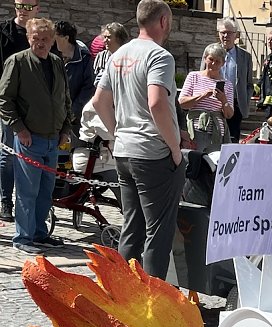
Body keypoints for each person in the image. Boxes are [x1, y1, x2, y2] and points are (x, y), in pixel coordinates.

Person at [93, 0, 185, 280]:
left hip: (124, 150)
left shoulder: (118, 55)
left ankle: (123, 293)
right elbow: (157, 103)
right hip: (153, 152)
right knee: (158, 230)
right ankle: (152, 301)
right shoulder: (160, 56)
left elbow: (99, 102)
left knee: (132, 225)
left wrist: (116, 133)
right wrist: (175, 148)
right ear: (164, 21)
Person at [0, 17, 71, 253]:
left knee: (45, 190)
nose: (40, 43)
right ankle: (23, 238)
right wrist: (19, 129)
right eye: (35, 39)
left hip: (53, 138)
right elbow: (4, 99)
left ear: (52, 40)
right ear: (28, 38)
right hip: (29, 137)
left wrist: (65, 129)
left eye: (45, 39)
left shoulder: (56, 62)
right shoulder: (17, 62)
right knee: (27, 191)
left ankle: (40, 233)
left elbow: (65, 98)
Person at [0, 0, 40, 222]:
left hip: (35, 105)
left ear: (37, 8)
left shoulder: (40, 33)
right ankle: (6, 200)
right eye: (19, 5)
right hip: (10, 101)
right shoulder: (5, 32)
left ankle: (31, 205)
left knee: (35, 153)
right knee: (8, 154)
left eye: (28, 6)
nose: (23, 10)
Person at [179, 43, 234, 153]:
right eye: (211, 59)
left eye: (217, 61)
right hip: (195, 130)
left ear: (223, 63)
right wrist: (202, 96)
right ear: (205, 58)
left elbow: (229, 114)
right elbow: (182, 103)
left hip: (217, 132)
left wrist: (223, 100)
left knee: (213, 165)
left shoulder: (227, 85)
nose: (213, 63)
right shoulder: (193, 76)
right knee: (193, 163)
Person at [210, 18, 252, 142]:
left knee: (232, 139)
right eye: (223, 32)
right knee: (213, 138)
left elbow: (249, 84)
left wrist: (245, 99)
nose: (225, 36)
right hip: (214, 101)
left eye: (229, 33)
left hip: (235, 103)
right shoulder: (210, 52)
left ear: (236, 35)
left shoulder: (245, 56)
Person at [52, 20, 94, 133]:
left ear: (66, 38)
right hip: (50, 114)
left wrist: (73, 111)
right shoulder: (50, 54)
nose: (52, 38)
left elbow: (88, 87)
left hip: (73, 118)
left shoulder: (84, 57)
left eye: (55, 35)